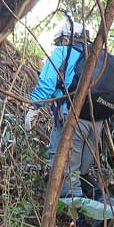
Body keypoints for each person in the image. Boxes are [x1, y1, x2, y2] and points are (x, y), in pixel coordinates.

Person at [25, 21, 103, 199]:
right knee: (83, 172)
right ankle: (102, 210)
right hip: (97, 120)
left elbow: (47, 82)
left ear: (66, 38)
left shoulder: (63, 52)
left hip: (72, 116)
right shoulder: (98, 56)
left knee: (67, 172)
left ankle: (76, 223)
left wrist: (34, 107)